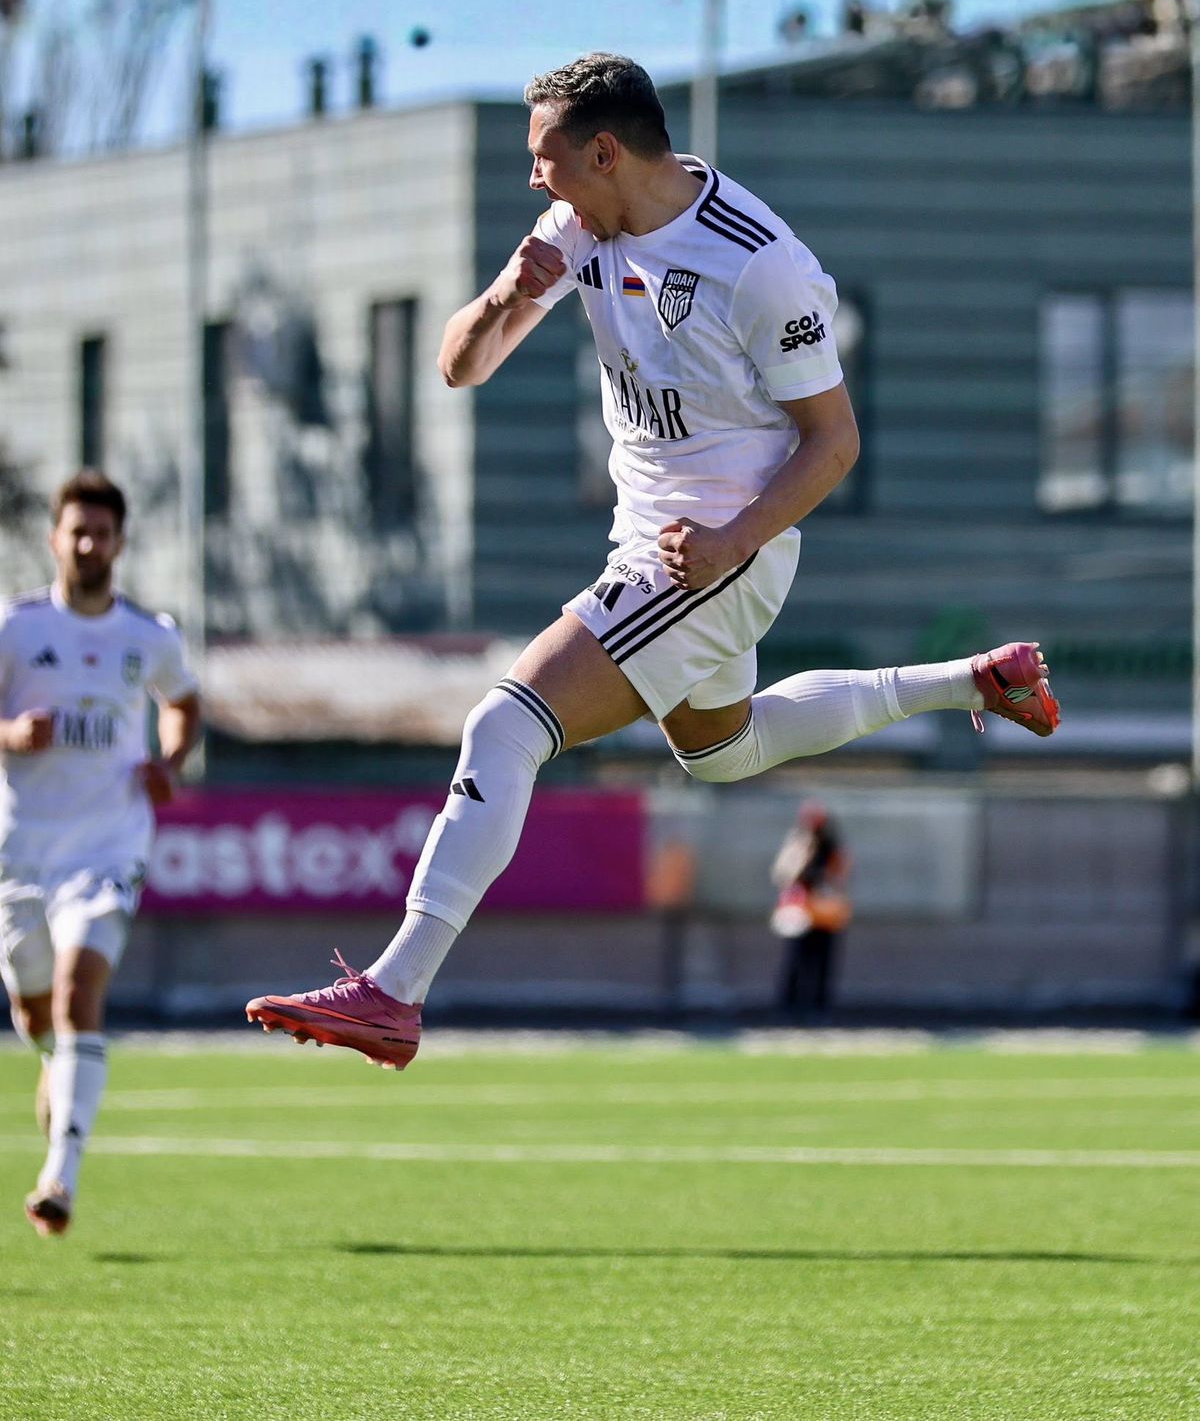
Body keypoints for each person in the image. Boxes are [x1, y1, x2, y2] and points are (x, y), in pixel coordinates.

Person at [247, 52, 1059, 1066]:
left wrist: (730, 543)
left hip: (709, 554)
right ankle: (972, 680)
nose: (533, 180)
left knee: (504, 724)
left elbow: (835, 441)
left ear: (604, 149)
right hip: (664, 547)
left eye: (545, 158)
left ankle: (395, 989)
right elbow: (458, 365)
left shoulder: (758, 262)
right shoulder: (578, 226)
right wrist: (507, 293)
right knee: (721, 753)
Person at [0, 471, 201, 1236]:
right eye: (76, 531)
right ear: (54, 538)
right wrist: (12, 737)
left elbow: (183, 700)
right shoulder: (15, 629)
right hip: (22, 851)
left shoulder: (147, 637)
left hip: (109, 842)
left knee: (80, 989)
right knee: (34, 1011)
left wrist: (170, 764)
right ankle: (57, 1058)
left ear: (119, 543)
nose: (88, 545)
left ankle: (61, 1176)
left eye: (102, 533)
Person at [770, 801, 851, 1020]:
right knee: (796, 961)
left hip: (825, 915)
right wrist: (803, 851)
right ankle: (789, 1008)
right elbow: (783, 875)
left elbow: (839, 878)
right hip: (800, 913)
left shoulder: (833, 848)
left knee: (823, 963)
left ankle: (819, 1009)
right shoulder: (797, 844)